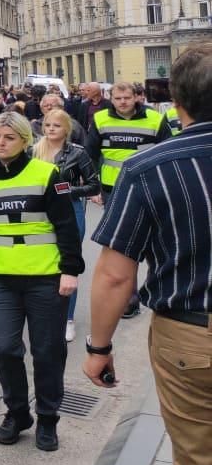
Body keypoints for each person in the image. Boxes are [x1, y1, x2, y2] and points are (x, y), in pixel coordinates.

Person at [84, 44, 212, 465]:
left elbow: (116, 275)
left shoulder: (149, 169)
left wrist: (99, 347)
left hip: (193, 338)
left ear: (174, 104)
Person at [0, 112, 83, 452]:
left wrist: (70, 270)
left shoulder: (48, 175)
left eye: (9, 137)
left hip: (46, 278)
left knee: (47, 352)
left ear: (25, 141)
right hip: (0, 280)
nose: (1, 142)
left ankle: (47, 417)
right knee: (4, 349)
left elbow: (67, 227)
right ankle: (17, 413)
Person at [85, 81, 171, 318]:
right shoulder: (101, 119)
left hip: (150, 188)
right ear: (110, 98)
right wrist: (92, 188)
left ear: (137, 97)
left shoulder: (155, 119)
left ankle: (159, 291)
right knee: (122, 246)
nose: (122, 102)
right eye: (117, 98)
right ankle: (129, 299)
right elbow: (89, 156)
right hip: (114, 191)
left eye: (127, 97)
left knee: (156, 243)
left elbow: (166, 152)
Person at [32, 108, 100, 342]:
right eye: (48, 125)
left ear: (66, 129)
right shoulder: (34, 150)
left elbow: (93, 185)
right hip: (40, 212)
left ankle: (68, 319)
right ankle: (47, 313)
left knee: (68, 263)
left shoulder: (77, 153)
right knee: (43, 262)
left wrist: (66, 190)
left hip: (71, 210)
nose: (51, 129)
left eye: (56, 126)